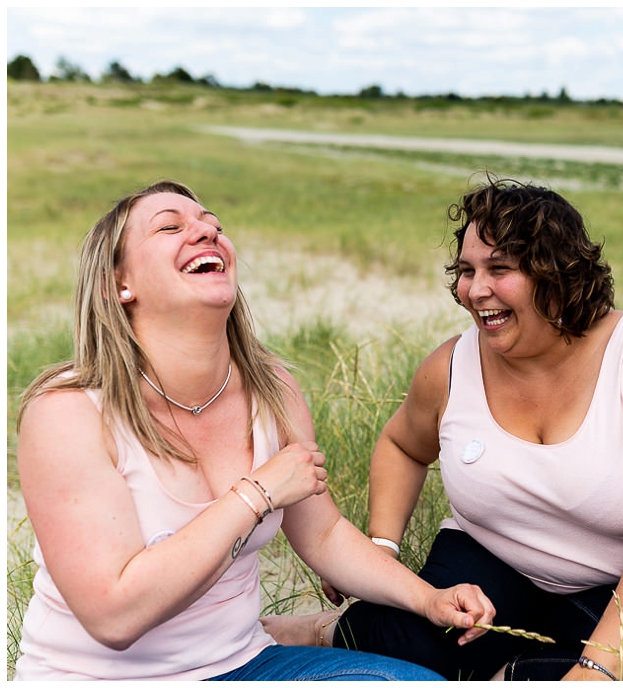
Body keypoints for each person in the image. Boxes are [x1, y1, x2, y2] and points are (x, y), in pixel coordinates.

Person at [13, 180, 497, 681]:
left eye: (212, 225)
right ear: (120, 284)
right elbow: (113, 615)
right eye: (170, 226)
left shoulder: (273, 391)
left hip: (246, 662)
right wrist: (258, 492)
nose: (205, 231)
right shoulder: (69, 412)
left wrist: (430, 599)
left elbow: (325, 534)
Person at [262, 176, 623, 680]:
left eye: (499, 269)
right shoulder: (452, 366)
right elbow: (402, 445)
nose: (475, 290)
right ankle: (324, 631)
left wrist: (593, 669)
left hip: (615, 585)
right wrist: (382, 549)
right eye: (466, 271)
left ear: (557, 274)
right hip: (486, 566)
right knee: (402, 644)